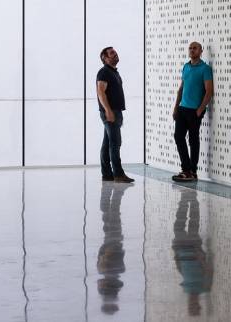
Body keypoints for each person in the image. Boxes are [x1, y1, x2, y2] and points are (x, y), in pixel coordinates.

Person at [172, 42, 213, 182]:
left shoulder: (205, 69)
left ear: (201, 51)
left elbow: (209, 92)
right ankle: (186, 169)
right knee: (178, 137)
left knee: (193, 140)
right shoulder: (186, 66)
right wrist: (176, 107)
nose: (192, 50)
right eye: (190, 48)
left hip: (195, 111)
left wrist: (200, 109)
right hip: (182, 109)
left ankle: (192, 171)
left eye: (195, 48)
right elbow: (181, 89)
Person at [96, 47, 134, 183]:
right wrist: (108, 111)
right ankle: (118, 174)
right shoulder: (104, 72)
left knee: (108, 143)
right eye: (112, 53)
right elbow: (101, 92)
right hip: (110, 112)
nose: (115, 54)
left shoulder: (113, 72)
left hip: (115, 112)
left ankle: (107, 174)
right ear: (105, 58)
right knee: (115, 143)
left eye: (115, 52)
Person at [172, 189, 213, 315]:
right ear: (198, 305)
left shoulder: (186, 289)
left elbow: (181, 270)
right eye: (194, 305)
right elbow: (209, 270)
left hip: (182, 249)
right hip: (194, 250)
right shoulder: (204, 288)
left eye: (190, 305)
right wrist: (200, 255)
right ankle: (193, 199)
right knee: (193, 221)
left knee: (179, 224)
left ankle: (185, 198)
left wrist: (176, 254)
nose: (191, 302)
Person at [97, 181, 131, 315]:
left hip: (112, 241)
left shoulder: (112, 271)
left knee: (110, 216)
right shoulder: (107, 270)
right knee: (111, 215)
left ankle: (115, 193)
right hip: (112, 242)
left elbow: (105, 255)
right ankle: (116, 193)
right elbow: (108, 255)